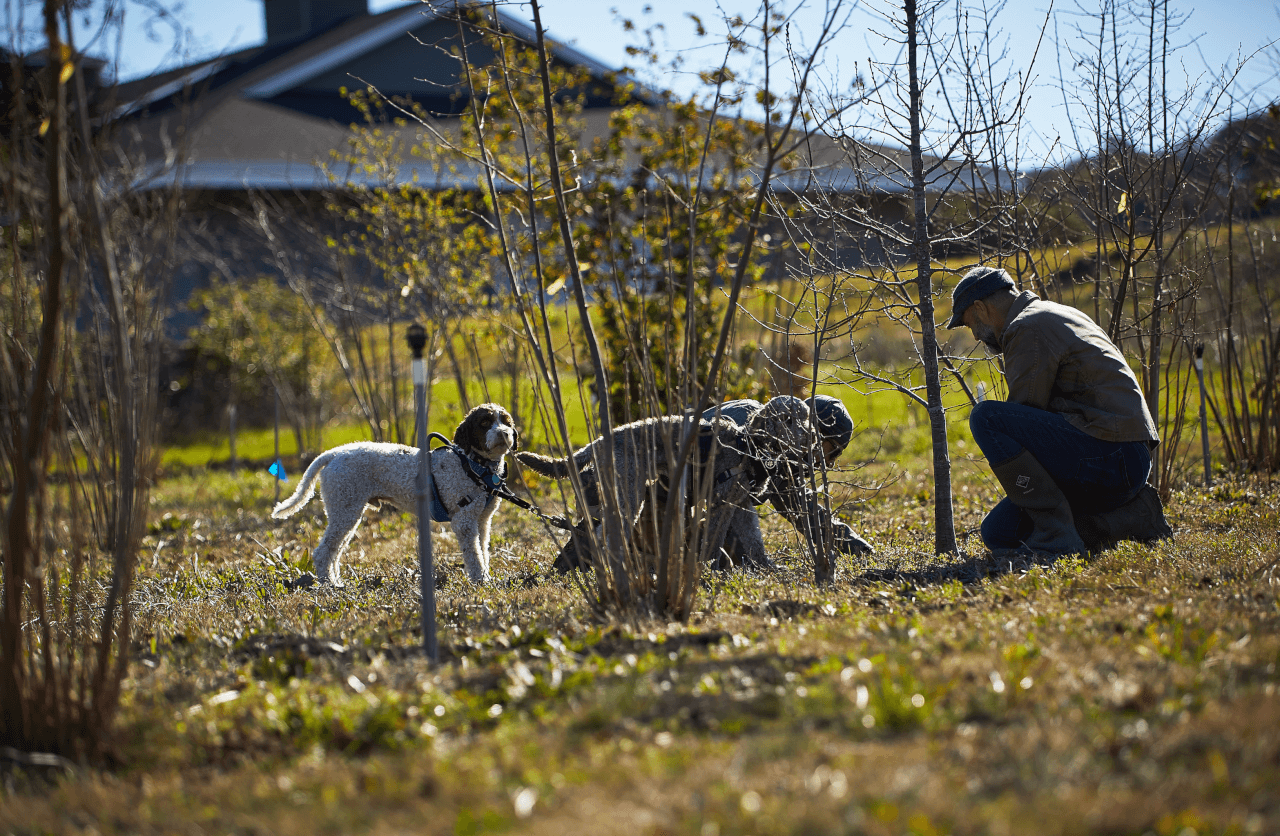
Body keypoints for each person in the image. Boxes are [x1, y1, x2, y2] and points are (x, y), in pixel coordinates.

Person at [947, 265, 1173, 555]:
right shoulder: (1055, 312)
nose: (976, 336)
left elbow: (1023, 415)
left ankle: (1057, 537)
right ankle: (1132, 517)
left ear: (981, 308)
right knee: (999, 532)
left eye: (970, 325)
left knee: (986, 418)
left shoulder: (1026, 327)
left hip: (1112, 457)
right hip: (1124, 459)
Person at [702, 394, 873, 569]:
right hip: (682, 503)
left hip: (707, 508)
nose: (830, 463)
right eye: (835, 451)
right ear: (816, 434)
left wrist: (857, 546)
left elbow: (801, 507)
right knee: (730, 565)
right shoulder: (757, 433)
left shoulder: (778, 438)